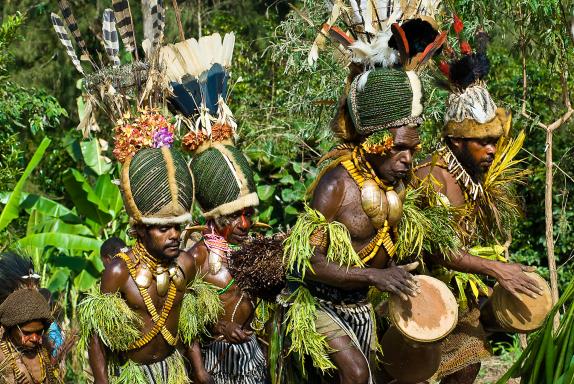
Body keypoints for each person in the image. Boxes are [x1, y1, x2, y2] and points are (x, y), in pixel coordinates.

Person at [282, 7, 447, 382]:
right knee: (356, 373)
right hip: (318, 305)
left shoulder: (397, 185)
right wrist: (375, 277)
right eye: (400, 149)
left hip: (360, 307)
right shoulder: (335, 184)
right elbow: (306, 262)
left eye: (413, 150)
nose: (408, 160)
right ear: (375, 143)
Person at [413, 27, 542, 384]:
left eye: (494, 141)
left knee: (466, 366)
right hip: (414, 291)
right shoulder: (431, 177)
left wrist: (500, 269)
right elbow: (438, 249)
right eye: (481, 143)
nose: (491, 151)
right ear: (455, 140)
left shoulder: (474, 177)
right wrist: (496, 270)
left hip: (456, 293)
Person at [79, 146, 218, 384]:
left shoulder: (185, 263)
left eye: (177, 226)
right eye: (164, 228)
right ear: (142, 230)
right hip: (135, 375)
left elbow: (189, 324)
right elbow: (97, 338)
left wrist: (200, 370)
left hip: (173, 370)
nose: (174, 235)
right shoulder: (118, 272)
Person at [187, 143, 267, 384]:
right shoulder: (196, 257)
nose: (244, 225)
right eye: (234, 216)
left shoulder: (255, 249)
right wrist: (221, 327)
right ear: (215, 217)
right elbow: (184, 320)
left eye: (248, 215)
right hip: (216, 361)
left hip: (253, 356)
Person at [0, 252, 61, 383]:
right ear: (10, 327)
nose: (35, 339)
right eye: (27, 333)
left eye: (39, 332)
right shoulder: (2, 354)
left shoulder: (45, 345)